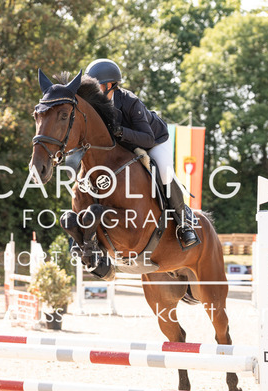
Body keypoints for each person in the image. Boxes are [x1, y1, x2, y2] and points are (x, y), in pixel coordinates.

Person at [85, 58, 199, 249]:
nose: (94, 92)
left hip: (154, 140)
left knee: (164, 172)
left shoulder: (130, 101)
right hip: (126, 146)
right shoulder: (96, 106)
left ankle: (184, 223)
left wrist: (120, 131)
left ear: (111, 85)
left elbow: (148, 139)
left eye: (98, 87)